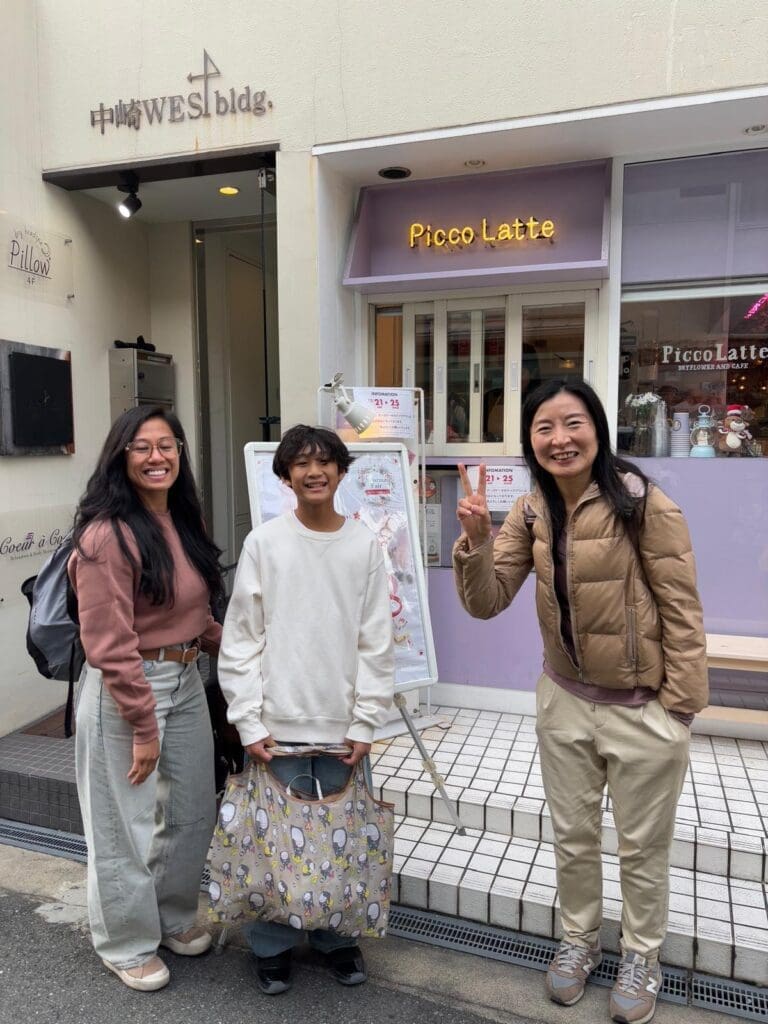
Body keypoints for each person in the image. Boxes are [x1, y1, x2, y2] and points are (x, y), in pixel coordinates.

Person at [453, 380, 707, 1024]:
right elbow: (486, 601)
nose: (559, 439)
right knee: (573, 837)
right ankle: (578, 942)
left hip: (641, 706)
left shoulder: (644, 504)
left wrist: (676, 711)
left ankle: (642, 955)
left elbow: (681, 612)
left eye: (572, 423)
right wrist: (477, 543)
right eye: (544, 428)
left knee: (643, 847)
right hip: (564, 700)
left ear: (597, 428)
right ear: (530, 441)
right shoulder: (531, 510)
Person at [218, 424, 394, 996]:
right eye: (300, 462)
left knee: (340, 839)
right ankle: (270, 947)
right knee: (274, 845)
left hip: (343, 726)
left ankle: (337, 941)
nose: (313, 471)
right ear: (285, 475)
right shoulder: (264, 543)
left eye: (324, 462)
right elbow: (241, 638)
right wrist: (248, 719)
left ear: (342, 472)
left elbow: (376, 641)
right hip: (278, 724)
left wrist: (367, 721)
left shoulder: (365, 544)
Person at [69, 406, 223, 992]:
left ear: (181, 454)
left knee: (190, 810)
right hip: (125, 691)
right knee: (121, 824)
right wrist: (143, 723)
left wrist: (233, 651)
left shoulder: (183, 519)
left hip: (184, 681)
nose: (156, 456)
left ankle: (171, 915)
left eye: (167, 445)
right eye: (141, 447)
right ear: (120, 457)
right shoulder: (106, 535)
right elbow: (109, 644)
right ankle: (126, 941)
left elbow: (194, 614)